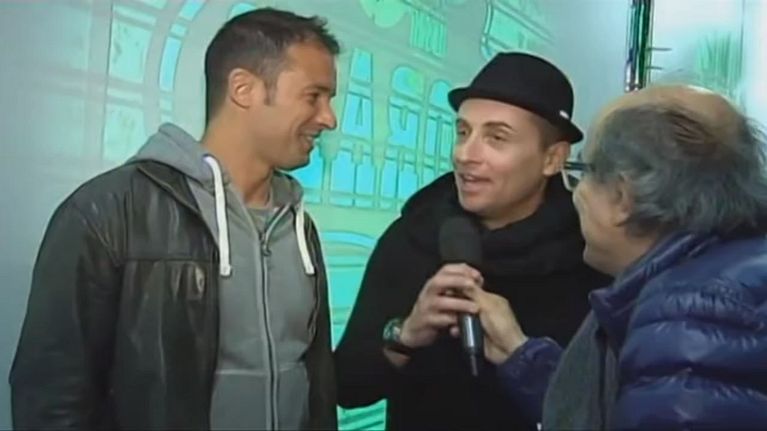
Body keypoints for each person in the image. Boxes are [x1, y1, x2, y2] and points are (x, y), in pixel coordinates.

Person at [10, 8, 339, 430]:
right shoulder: (107, 213)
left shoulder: (299, 228)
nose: (329, 118)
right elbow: (52, 399)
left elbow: (317, 384)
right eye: (314, 96)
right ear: (243, 89)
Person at [334, 52, 610, 430]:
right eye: (463, 132)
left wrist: (522, 354)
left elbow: (613, 411)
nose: (465, 154)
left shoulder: (594, 256)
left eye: (496, 138)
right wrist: (406, 335)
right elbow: (347, 387)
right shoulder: (414, 236)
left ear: (552, 158)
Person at [467, 85, 767, 430]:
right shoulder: (726, 274)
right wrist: (522, 356)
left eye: (584, 172)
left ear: (623, 197)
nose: (577, 193)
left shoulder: (694, 317)